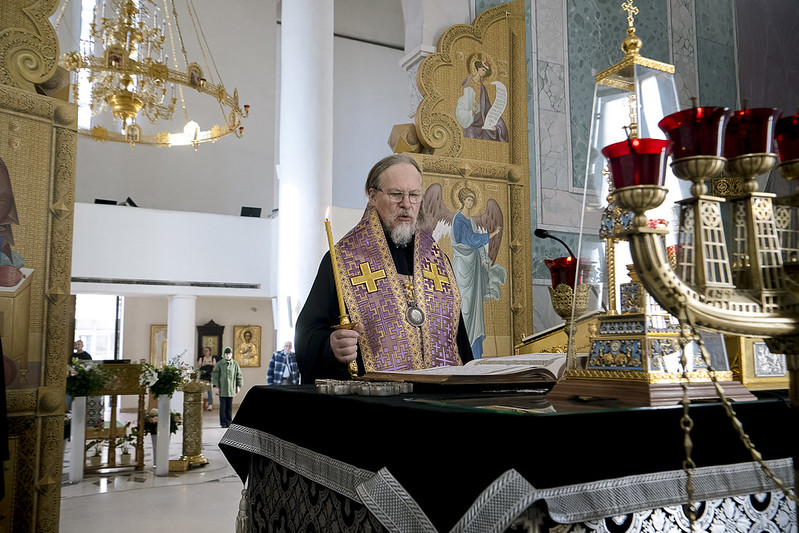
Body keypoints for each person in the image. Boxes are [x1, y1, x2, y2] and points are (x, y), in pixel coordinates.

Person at [295, 154, 473, 382]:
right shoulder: (342, 260)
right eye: (396, 194)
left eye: (414, 195)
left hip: (438, 396)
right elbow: (307, 335)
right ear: (372, 196)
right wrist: (331, 346)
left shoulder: (438, 261)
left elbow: (458, 341)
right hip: (376, 397)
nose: (406, 204)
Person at [451, 187, 506, 358]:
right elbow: (469, 240)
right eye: (468, 200)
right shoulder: (458, 220)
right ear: (462, 201)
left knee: (475, 309)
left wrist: (483, 258)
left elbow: (478, 244)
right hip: (462, 268)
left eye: (472, 200)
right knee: (464, 306)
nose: (470, 203)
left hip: (474, 269)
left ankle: (474, 351)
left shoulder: (472, 221)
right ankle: (460, 349)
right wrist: (491, 234)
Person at [455, 59, 508, 142]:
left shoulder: (482, 88)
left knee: (501, 124)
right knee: (470, 135)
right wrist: (471, 112)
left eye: (485, 71)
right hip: (471, 122)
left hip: (482, 120)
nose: (484, 72)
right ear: (478, 68)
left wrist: (493, 120)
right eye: (483, 70)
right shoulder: (467, 84)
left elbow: (487, 107)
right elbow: (461, 106)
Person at [211, 347, 242, 428]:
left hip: (231, 389)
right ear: (224, 354)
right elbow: (215, 375)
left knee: (229, 407)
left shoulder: (235, 364)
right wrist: (216, 386)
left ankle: (229, 422)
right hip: (222, 388)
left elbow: (238, 375)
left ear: (231, 354)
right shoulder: (220, 364)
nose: (228, 355)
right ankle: (223, 423)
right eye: (226, 354)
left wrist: (238, 386)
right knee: (223, 407)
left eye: (229, 354)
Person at [197, 346, 216, 411]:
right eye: (204, 351)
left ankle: (210, 405)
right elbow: (199, 367)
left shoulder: (213, 358)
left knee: (209, 390)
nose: (205, 352)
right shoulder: (201, 358)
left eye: (207, 351)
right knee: (201, 390)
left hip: (209, 376)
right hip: (203, 376)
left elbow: (214, 367)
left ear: (210, 352)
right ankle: (200, 404)